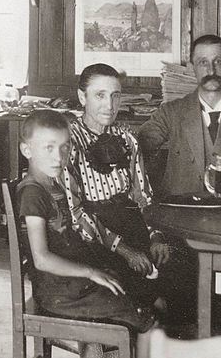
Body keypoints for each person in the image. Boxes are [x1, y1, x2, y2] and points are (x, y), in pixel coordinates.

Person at [16, 109, 155, 358]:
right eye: (48, 148)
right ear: (27, 151)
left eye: (65, 148)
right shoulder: (33, 193)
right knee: (143, 317)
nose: (59, 157)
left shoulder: (53, 185)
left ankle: (99, 351)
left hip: (70, 285)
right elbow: (41, 258)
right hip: (59, 292)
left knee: (131, 291)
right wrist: (91, 272)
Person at [61, 64, 180, 323]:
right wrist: (125, 251)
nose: (109, 104)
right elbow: (75, 213)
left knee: (177, 270)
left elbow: (143, 197)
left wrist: (155, 236)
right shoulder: (68, 143)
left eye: (115, 95)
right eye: (100, 95)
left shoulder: (128, 140)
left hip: (130, 223)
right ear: (83, 98)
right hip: (92, 238)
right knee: (148, 298)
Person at [137, 34, 221, 196]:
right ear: (192, 68)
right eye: (203, 62)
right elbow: (137, 149)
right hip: (181, 212)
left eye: (218, 62)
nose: (211, 70)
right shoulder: (171, 112)